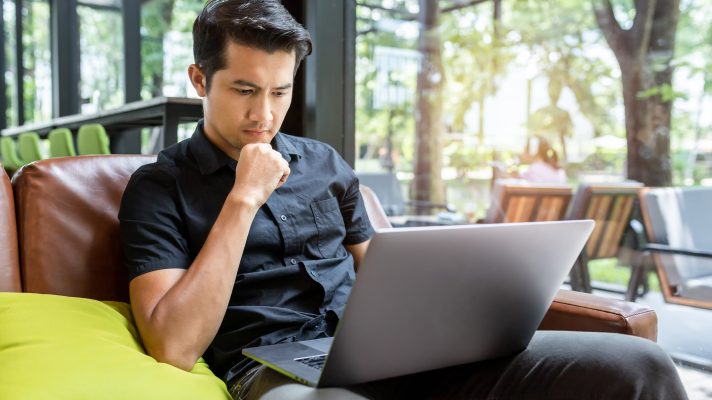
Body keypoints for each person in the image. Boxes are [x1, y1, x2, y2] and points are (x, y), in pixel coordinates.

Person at [119, 1, 688, 399]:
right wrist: (242, 199)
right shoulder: (159, 186)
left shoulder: (324, 164)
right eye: (243, 90)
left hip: (383, 353)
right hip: (270, 372)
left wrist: (457, 326)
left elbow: (390, 275)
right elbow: (173, 345)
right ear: (200, 79)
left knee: (637, 364)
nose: (263, 114)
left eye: (280, 91)